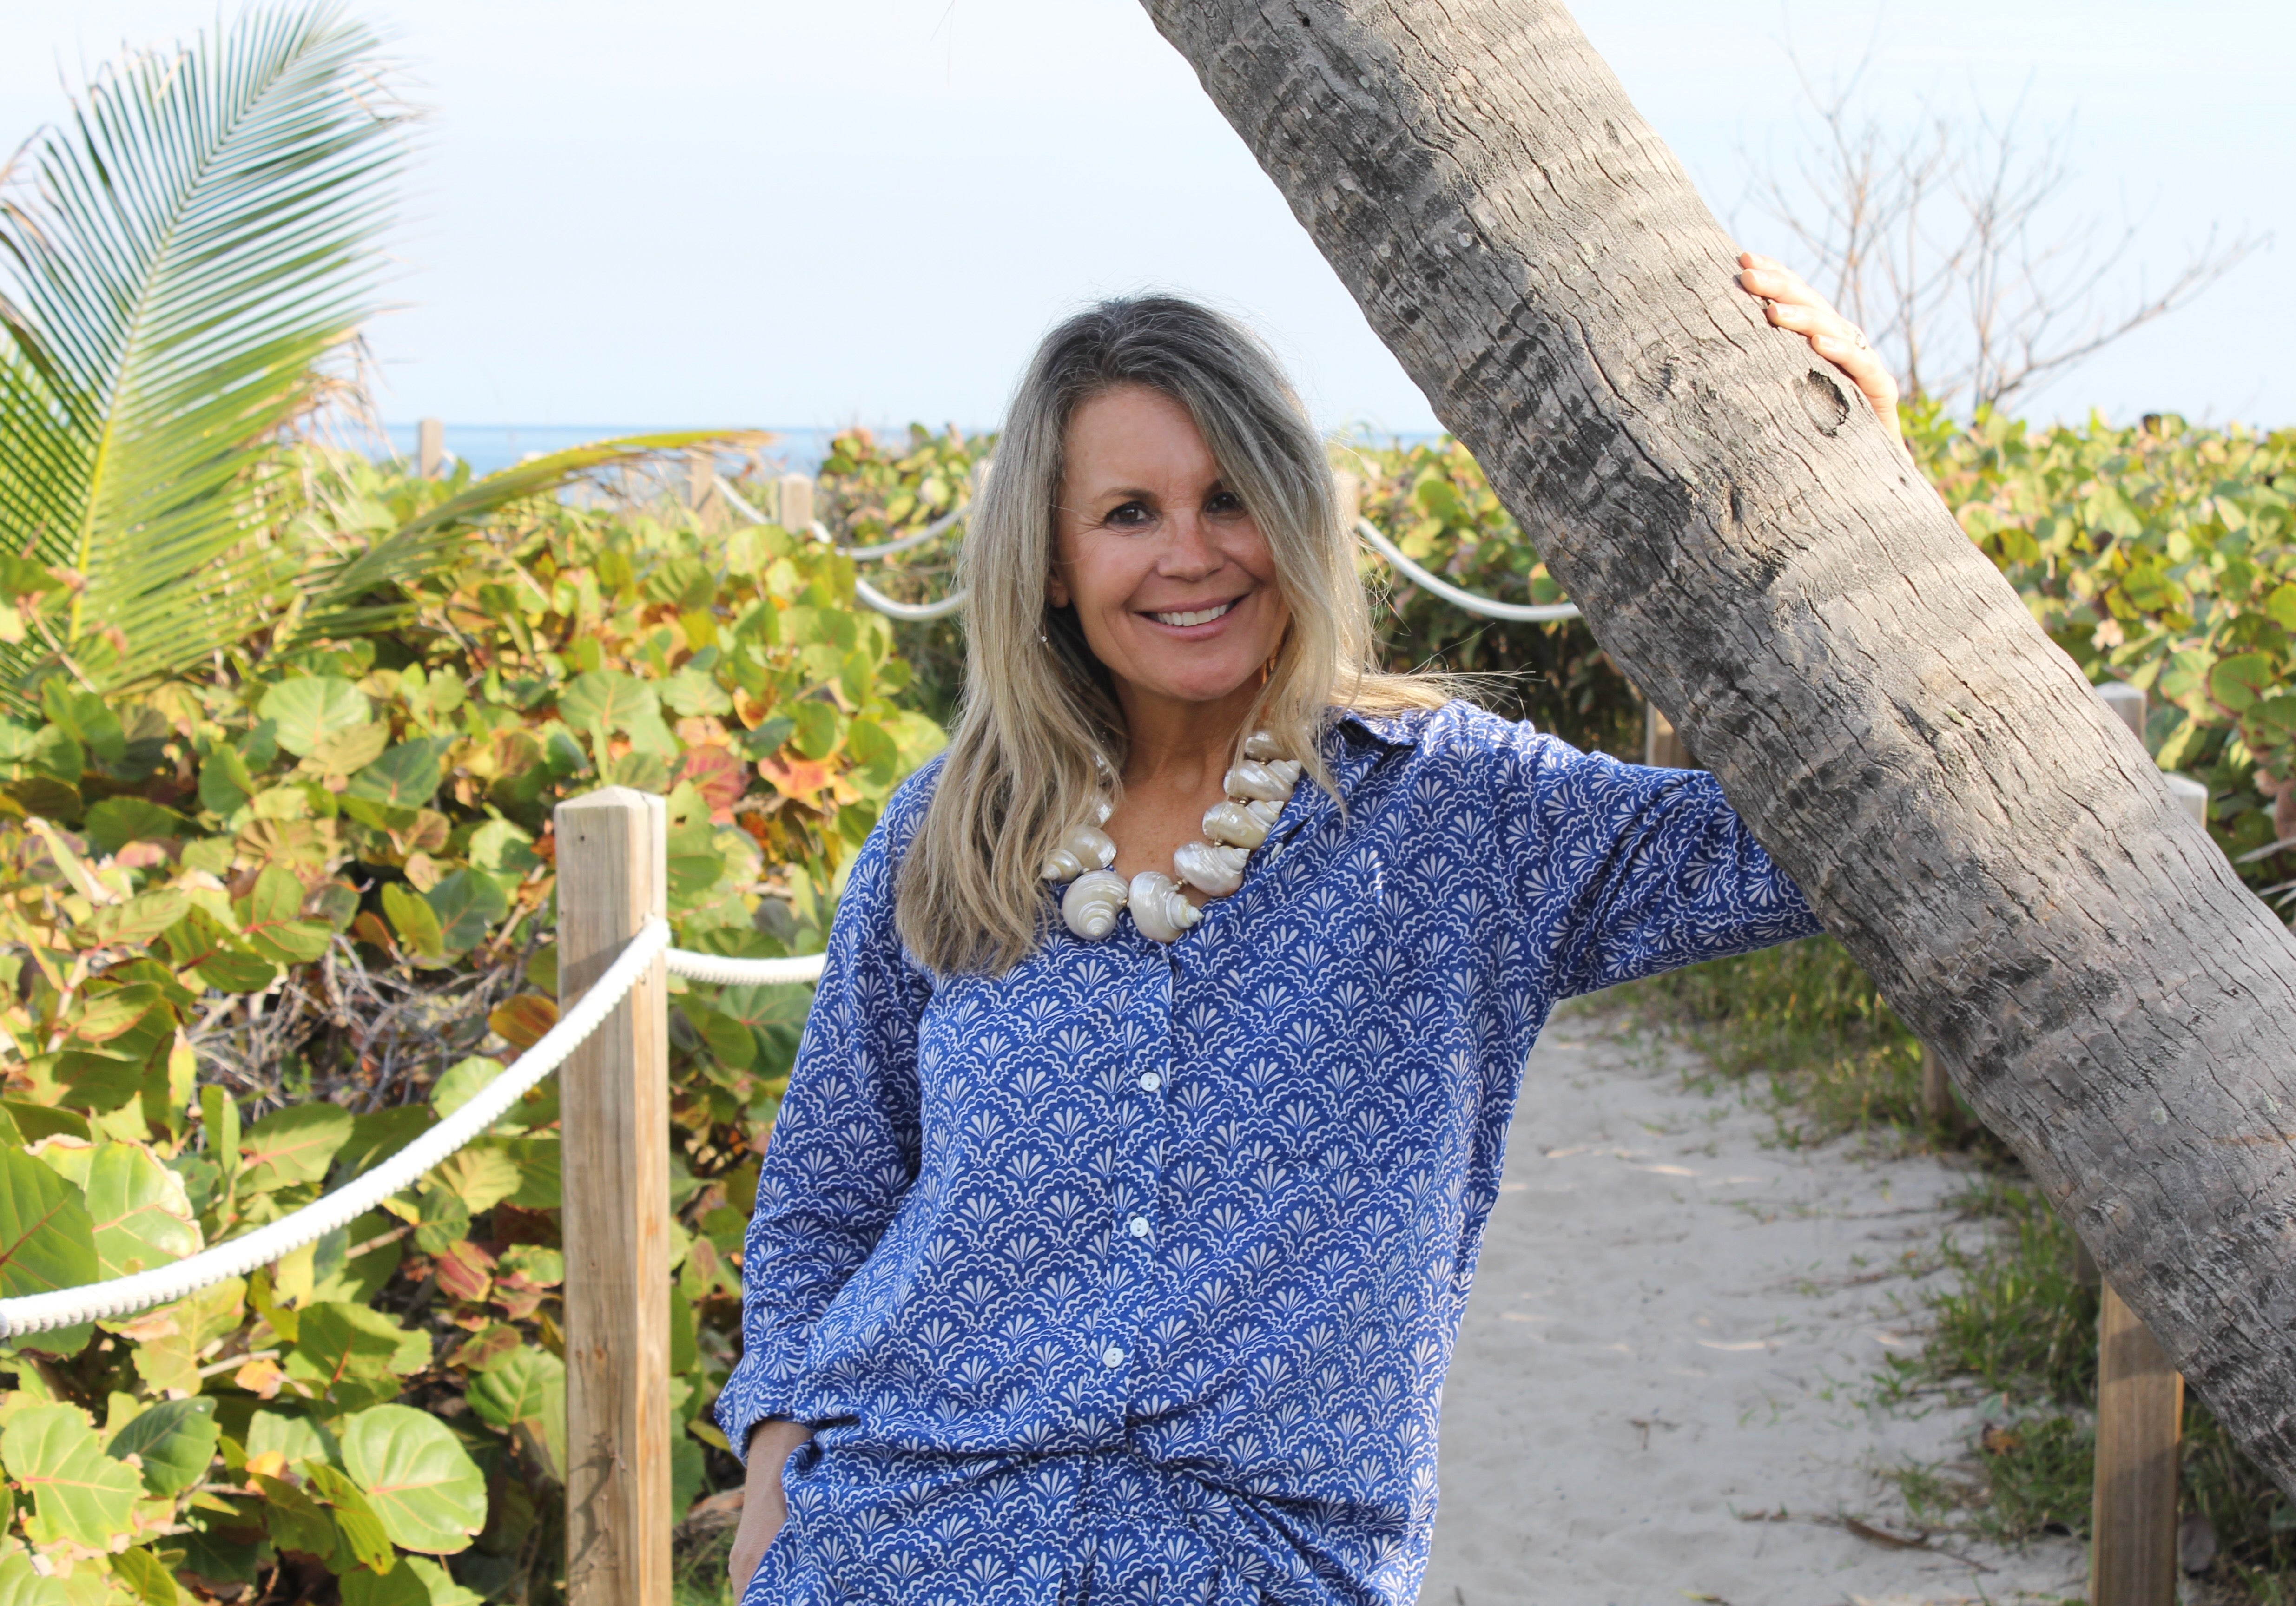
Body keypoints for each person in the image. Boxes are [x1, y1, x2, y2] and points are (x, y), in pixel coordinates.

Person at [718, 256, 1899, 1605]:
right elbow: (827, 1189)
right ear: (1051, 564)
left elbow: (1813, 848)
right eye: (1128, 512)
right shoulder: (952, 832)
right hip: (901, 1542)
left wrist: (1852, 505)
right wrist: (773, 1463)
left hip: (1263, 1564)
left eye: (1231, 497)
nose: (1192, 552)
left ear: (1293, 509)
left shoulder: (1457, 808)